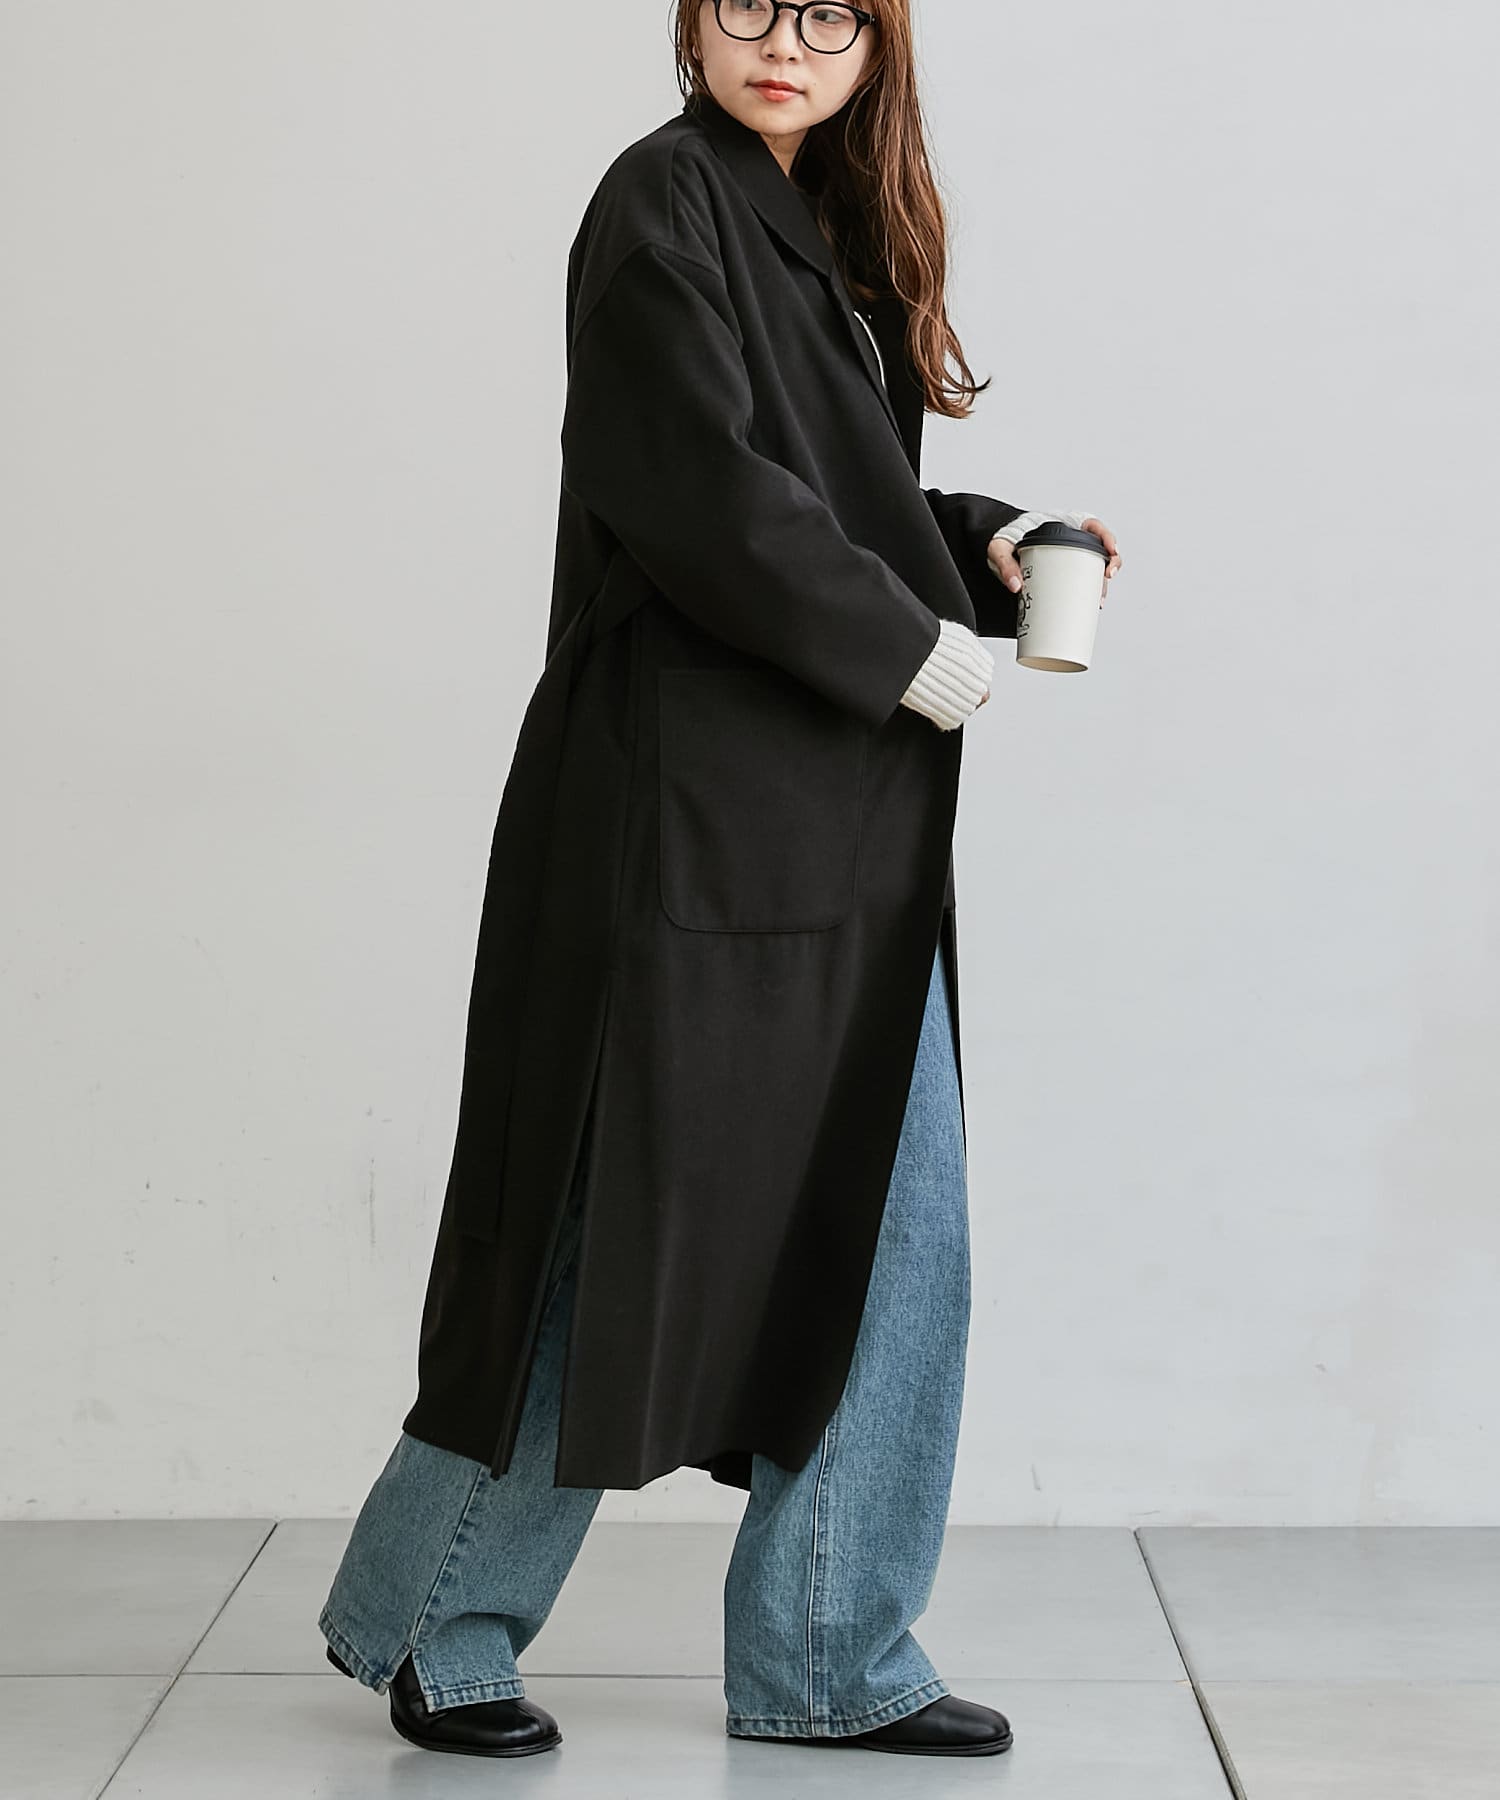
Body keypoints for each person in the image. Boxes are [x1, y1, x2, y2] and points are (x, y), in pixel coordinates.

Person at [319, 0, 1123, 1762]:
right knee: (597, 1223)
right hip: (678, 812)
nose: (786, 41)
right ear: (692, 17)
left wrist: (980, 544)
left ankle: (830, 1652)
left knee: (893, 1235)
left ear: (875, 44)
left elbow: (833, 492)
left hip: (837, 818)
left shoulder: (827, 222)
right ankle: (434, 1614)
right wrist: (899, 645)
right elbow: (686, 480)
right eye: (750, 1)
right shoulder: (660, 199)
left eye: (831, 13)